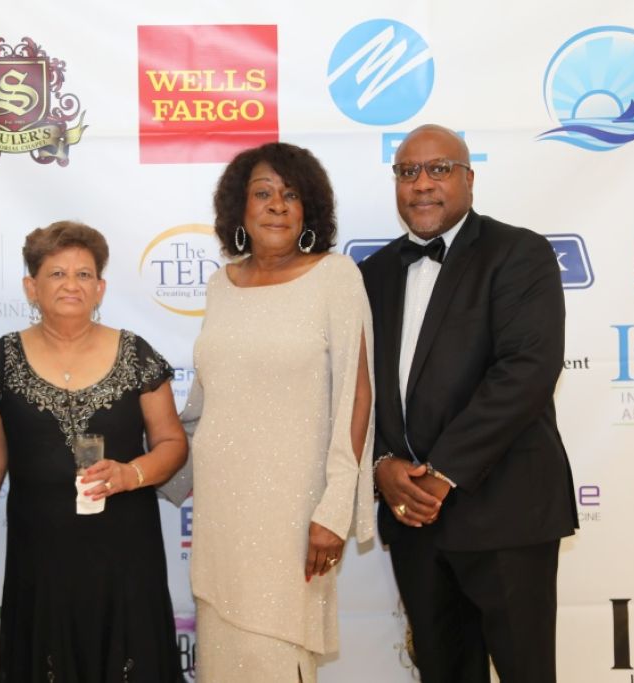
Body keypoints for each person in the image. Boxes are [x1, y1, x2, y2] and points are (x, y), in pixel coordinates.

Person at [359, 124, 578, 682]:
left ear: (469, 179)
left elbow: (526, 372)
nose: (422, 183)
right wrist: (381, 464)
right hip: (413, 520)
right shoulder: (372, 274)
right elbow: (359, 388)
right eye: (408, 171)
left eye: (439, 169)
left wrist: (442, 473)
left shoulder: (518, 253)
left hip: (506, 511)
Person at [181, 142, 375, 682]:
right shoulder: (221, 285)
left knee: (277, 655)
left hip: (296, 510)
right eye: (262, 193)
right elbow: (206, 399)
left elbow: (357, 396)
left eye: (290, 195)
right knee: (224, 654)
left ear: (308, 209)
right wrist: (152, 465)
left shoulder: (336, 277)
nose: (276, 205)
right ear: (239, 209)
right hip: (222, 509)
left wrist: (335, 506)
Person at [0, 221, 188, 682]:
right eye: (57, 273)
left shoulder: (137, 355)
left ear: (100, 287)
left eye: (84, 274)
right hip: (40, 560)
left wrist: (131, 474)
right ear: (31, 287)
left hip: (126, 557)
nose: (72, 284)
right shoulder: (0, 361)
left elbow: (172, 444)